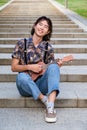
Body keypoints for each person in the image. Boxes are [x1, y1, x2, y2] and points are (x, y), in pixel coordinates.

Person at [11, 16, 62, 123]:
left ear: (48, 31)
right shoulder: (22, 43)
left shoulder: (48, 47)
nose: (42, 27)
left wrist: (57, 66)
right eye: (40, 24)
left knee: (54, 66)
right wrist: (29, 67)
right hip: (25, 86)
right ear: (35, 25)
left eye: (46, 26)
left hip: (41, 84)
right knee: (21, 77)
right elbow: (14, 67)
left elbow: (50, 68)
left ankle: (51, 107)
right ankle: (45, 100)